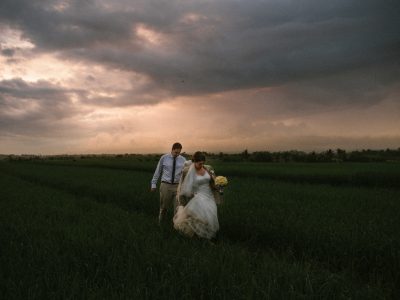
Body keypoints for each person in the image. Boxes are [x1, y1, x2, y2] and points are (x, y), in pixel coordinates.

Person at [173, 151, 220, 239]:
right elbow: (185, 186)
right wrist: (191, 194)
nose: (201, 165)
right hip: (198, 196)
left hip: (210, 196)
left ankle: (207, 236)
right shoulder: (188, 171)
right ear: (194, 161)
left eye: (203, 163)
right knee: (201, 218)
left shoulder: (208, 169)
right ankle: (201, 237)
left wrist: (219, 186)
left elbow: (212, 182)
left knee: (210, 216)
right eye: (199, 163)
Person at [151, 142, 186, 224]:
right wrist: (153, 184)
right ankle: (160, 223)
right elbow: (158, 171)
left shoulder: (183, 160)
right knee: (163, 207)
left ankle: (176, 226)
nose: (177, 154)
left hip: (177, 186)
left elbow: (185, 173)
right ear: (172, 149)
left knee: (177, 209)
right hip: (165, 185)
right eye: (176, 152)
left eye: (179, 152)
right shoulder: (164, 158)